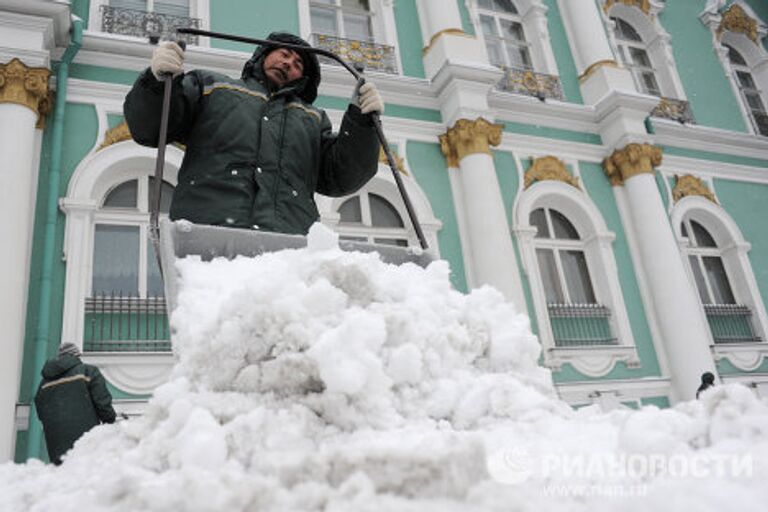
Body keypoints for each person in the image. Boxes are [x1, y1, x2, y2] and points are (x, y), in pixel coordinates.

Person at [124, 32, 384, 234]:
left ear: (302, 78)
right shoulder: (213, 88)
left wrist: (362, 124)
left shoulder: (312, 119)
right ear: (263, 55)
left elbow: (342, 176)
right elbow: (150, 127)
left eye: (297, 64)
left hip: (289, 243)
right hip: (206, 233)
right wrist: (158, 84)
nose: (288, 63)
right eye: (283, 54)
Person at [34, 343, 117, 465]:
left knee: (65, 477)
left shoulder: (44, 383)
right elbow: (102, 401)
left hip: (56, 442)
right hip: (85, 438)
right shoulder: (87, 371)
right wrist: (110, 419)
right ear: (77, 356)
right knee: (87, 473)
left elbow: (40, 410)